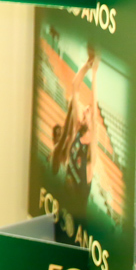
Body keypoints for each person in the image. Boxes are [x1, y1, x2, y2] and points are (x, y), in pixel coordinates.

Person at [51, 46, 102, 202]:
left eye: (88, 111)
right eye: (86, 109)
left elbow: (94, 107)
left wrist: (95, 73)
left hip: (77, 208)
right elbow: (75, 87)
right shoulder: (78, 132)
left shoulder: (91, 152)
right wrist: (88, 65)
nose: (85, 110)